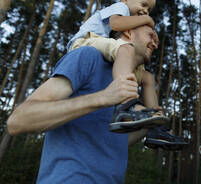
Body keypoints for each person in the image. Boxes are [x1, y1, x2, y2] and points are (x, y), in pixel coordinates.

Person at [6, 25, 172, 183]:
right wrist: (103, 97)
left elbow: (112, 140)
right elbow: (18, 120)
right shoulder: (88, 56)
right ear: (129, 33)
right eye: (150, 36)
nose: (155, 44)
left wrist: (147, 125)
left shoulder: (130, 82)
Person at [67, 0, 165, 132]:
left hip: (102, 45)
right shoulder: (120, 7)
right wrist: (148, 21)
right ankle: (127, 105)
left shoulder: (130, 19)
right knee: (126, 48)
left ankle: (155, 124)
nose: (145, 11)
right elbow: (116, 25)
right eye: (143, 4)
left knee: (147, 77)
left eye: (149, 9)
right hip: (84, 42)